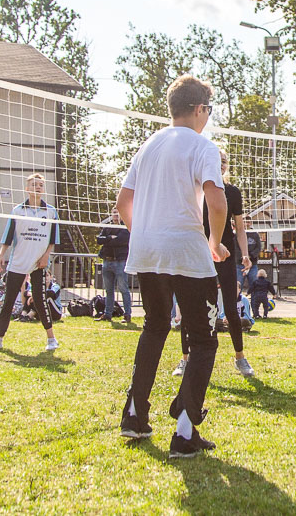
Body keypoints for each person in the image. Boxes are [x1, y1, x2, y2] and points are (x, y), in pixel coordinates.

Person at [117, 74, 229, 459]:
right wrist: (213, 243)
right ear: (199, 109)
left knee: (155, 326)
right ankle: (184, 431)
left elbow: (122, 203)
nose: (207, 117)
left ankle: (134, 414)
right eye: (208, 111)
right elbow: (216, 201)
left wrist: (145, 234)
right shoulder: (203, 146)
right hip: (184, 249)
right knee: (203, 339)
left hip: (147, 250)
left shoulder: (147, 146)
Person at [174, 149, 254, 379]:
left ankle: (240, 358)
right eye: (216, 161)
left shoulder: (232, 192)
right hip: (198, 252)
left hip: (225, 253)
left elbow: (240, 228)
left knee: (230, 306)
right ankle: (185, 359)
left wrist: (245, 254)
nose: (221, 165)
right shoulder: (195, 190)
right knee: (191, 307)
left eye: (224, 162)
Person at [0, 173, 61, 352]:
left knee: (40, 300)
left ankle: (51, 339)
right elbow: (8, 237)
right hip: (18, 262)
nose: (38, 187)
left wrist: (45, 257)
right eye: (34, 184)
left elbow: (52, 239)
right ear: (27, 189)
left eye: (41, 185)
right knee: (9, 300)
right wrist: (0, 255)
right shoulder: (18, 210)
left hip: (39, 263)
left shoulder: (50, 211)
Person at [97, 205, 131, 323]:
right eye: (114, 212)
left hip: (120, 262)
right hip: (107, 261)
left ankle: (127, 314)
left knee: (123, 289)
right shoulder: (107, 227)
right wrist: (110, 238)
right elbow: (99, 240)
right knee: (108, 290)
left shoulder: (126, 226)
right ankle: (108, 314)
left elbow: (121, 241)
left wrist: (108, 240)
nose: (116, 215)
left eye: (118, 212)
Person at [236, 217, 261, 294]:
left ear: (251, 223)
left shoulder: (255, 234)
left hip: (253, 265)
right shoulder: (237, 234)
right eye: (245, 222)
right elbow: (235, 249)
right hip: (240, 264)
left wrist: (250, 256)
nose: (246, 224)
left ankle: (255, 305)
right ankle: (237, 304)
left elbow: (258, 248)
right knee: (237, 286)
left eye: (248, 222)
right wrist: (244, 256)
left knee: (254, 286)